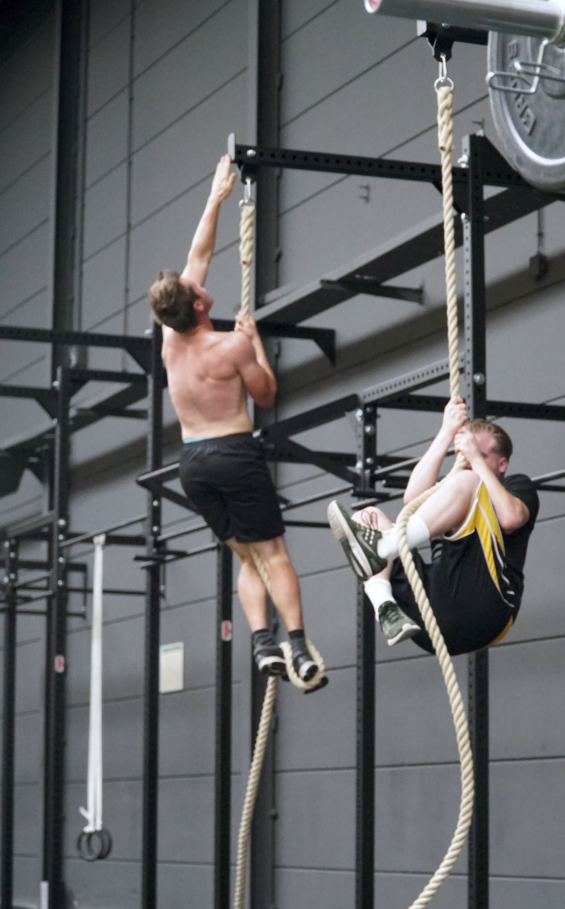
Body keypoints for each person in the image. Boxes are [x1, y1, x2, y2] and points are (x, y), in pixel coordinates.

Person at [149, 154, 322, 688]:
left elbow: (199, 251)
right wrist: (256, 346)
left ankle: (261, 644)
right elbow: (266, 394)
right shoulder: (229, 346)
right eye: (194, 285)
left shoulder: (170, 341)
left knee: (247, 557)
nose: (197, 280)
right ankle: (298, 647)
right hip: (232, 452)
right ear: (199, 305)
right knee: (272, 553)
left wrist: (216, 196)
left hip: (192, 464)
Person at [327, 397, 539, 656]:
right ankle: (385, 608)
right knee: (367, 517)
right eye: (462, 454)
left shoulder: (516, 486)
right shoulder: (454, 489)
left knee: (470, 481)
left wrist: (475, 461)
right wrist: (446, 432)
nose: (469, 460)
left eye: (478, 454)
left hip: (486, 608)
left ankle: (385, 548)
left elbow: (510, 519)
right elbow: (411, 499)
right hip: (432, 616)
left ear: (501, 463)